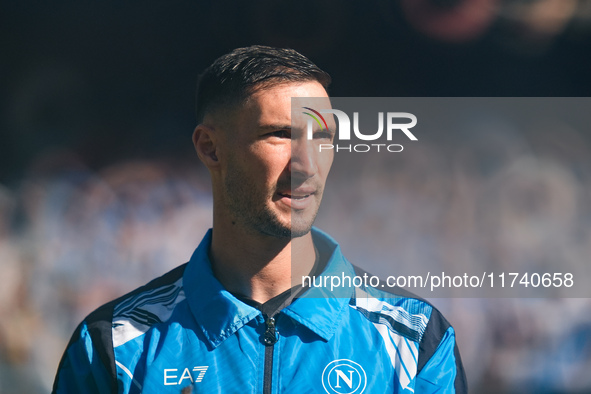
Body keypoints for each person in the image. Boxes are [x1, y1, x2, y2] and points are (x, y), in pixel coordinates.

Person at [52, 45, 467, 393]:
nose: (306, 165)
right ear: (211, 148)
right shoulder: (114, 344)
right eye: (280, 135)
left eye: (323, 137)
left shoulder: (416, 341)